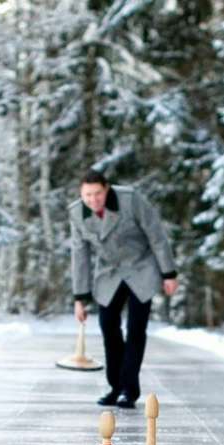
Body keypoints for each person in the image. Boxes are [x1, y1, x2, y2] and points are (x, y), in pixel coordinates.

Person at [70, 170, 178, 409]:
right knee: (108, 326)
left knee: (136, 329)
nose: (93, 199)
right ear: (81, 193)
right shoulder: (77, 213)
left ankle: (129, 389)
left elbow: (156, 234)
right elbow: (80, 255)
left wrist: (168, 273)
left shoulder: (130, 200)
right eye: (88, 195)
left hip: (142, 268)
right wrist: (80, 297)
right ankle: (115, 386)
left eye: (97, 193)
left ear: (107, 188)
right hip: (109, 273)